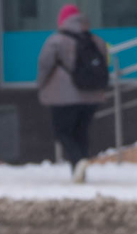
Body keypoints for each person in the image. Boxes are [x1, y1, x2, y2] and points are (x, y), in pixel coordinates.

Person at [37, 4, 108, 184]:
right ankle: (80, 169)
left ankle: (78, 160)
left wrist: (41, 85)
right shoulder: (97, 40)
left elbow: (44, 65)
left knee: (62, 132)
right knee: (81, 131)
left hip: (63, 97)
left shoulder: (57, 40)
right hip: (92, 95)